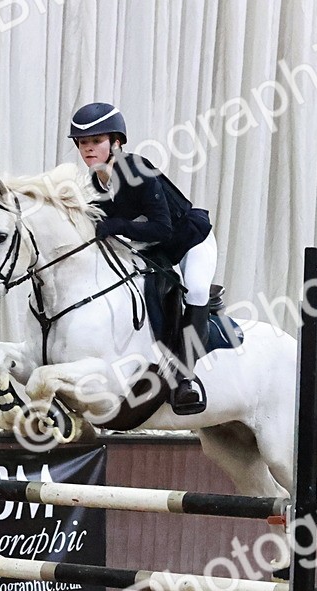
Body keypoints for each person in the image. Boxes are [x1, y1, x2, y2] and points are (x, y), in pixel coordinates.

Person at [68, 102, 217, 416]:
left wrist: (119, 225)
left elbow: (162, 227)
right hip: (152, 248)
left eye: (96, 141)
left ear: (117, 142)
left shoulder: (137, 169)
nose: (88, 149)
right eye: (83, 143)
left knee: (195, 289)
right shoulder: (94, 184)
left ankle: (185, 378)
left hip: (189, 240)